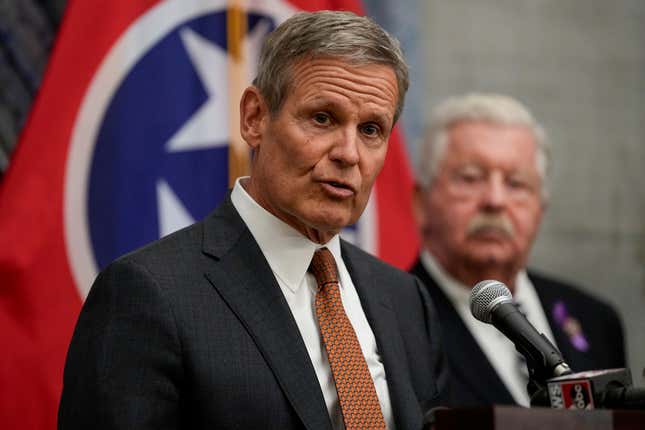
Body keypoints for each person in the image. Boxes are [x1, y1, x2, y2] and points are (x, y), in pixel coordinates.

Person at [58, 11, 446, 430]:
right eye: (322, 118)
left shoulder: (406, 299)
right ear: (254, 118)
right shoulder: (148, 292)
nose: (349, 153)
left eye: (371, 129)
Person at [410, 92, 626, 407]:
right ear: (421, 203)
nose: (495, 201)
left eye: (516, 183)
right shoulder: (391, 321)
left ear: (541, 207)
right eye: (470, 179)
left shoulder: (594, 318)